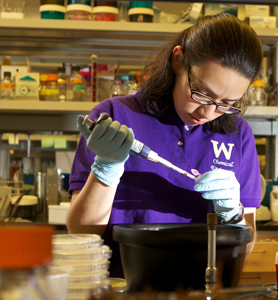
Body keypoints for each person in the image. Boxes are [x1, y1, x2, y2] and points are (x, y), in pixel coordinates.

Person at [67, 13, 263, 278]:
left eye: (227, 103)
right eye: (202, 93)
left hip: (200, 291)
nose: (208, 112)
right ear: (178, 60)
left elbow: (246, 248)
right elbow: (80, 234)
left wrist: (234, 215)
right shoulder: (115, 117)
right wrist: (106, 170)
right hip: (123, 290)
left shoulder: (238, 134)